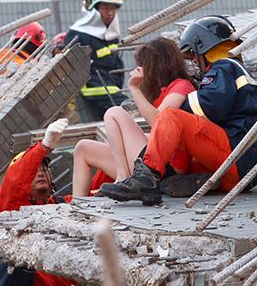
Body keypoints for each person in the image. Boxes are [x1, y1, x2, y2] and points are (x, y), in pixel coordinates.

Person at [99, 16, 257, 205]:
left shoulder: (223, 67)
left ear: (203, 47)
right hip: (244, 167)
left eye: (194, 57)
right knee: (182, 139)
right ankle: (199, 179)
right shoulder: (234, 69)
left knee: (170, 115)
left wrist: (176, 112)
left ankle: (146, 179)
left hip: (238, 160)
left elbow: (210, 106)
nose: (196, 64)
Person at [71, 37, 200, 196]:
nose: (140, 69)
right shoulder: (161, 89)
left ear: (156, 64)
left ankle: (122, 177)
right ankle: (77, 205)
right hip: (151, 162)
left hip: (169, 168)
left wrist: (134, 88)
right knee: (83, 148)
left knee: (114, 112)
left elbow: (160, 122)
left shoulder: (182, 85)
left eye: (143, 65)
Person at [0, 118, 77, 286]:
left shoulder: (59, 206)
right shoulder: (13, 212)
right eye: (34, 170)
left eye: (44, 168)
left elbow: (92, 198)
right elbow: (14, 182)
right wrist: (45, 145)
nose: (41, 172)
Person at [65, 0, 127, 121]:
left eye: (113, 8)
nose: (110, 13)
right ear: (92, 7)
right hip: (94, 92)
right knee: (129, 115)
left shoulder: (111, 35)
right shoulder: (77, 35)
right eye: (105, 8)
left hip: (112, 90)